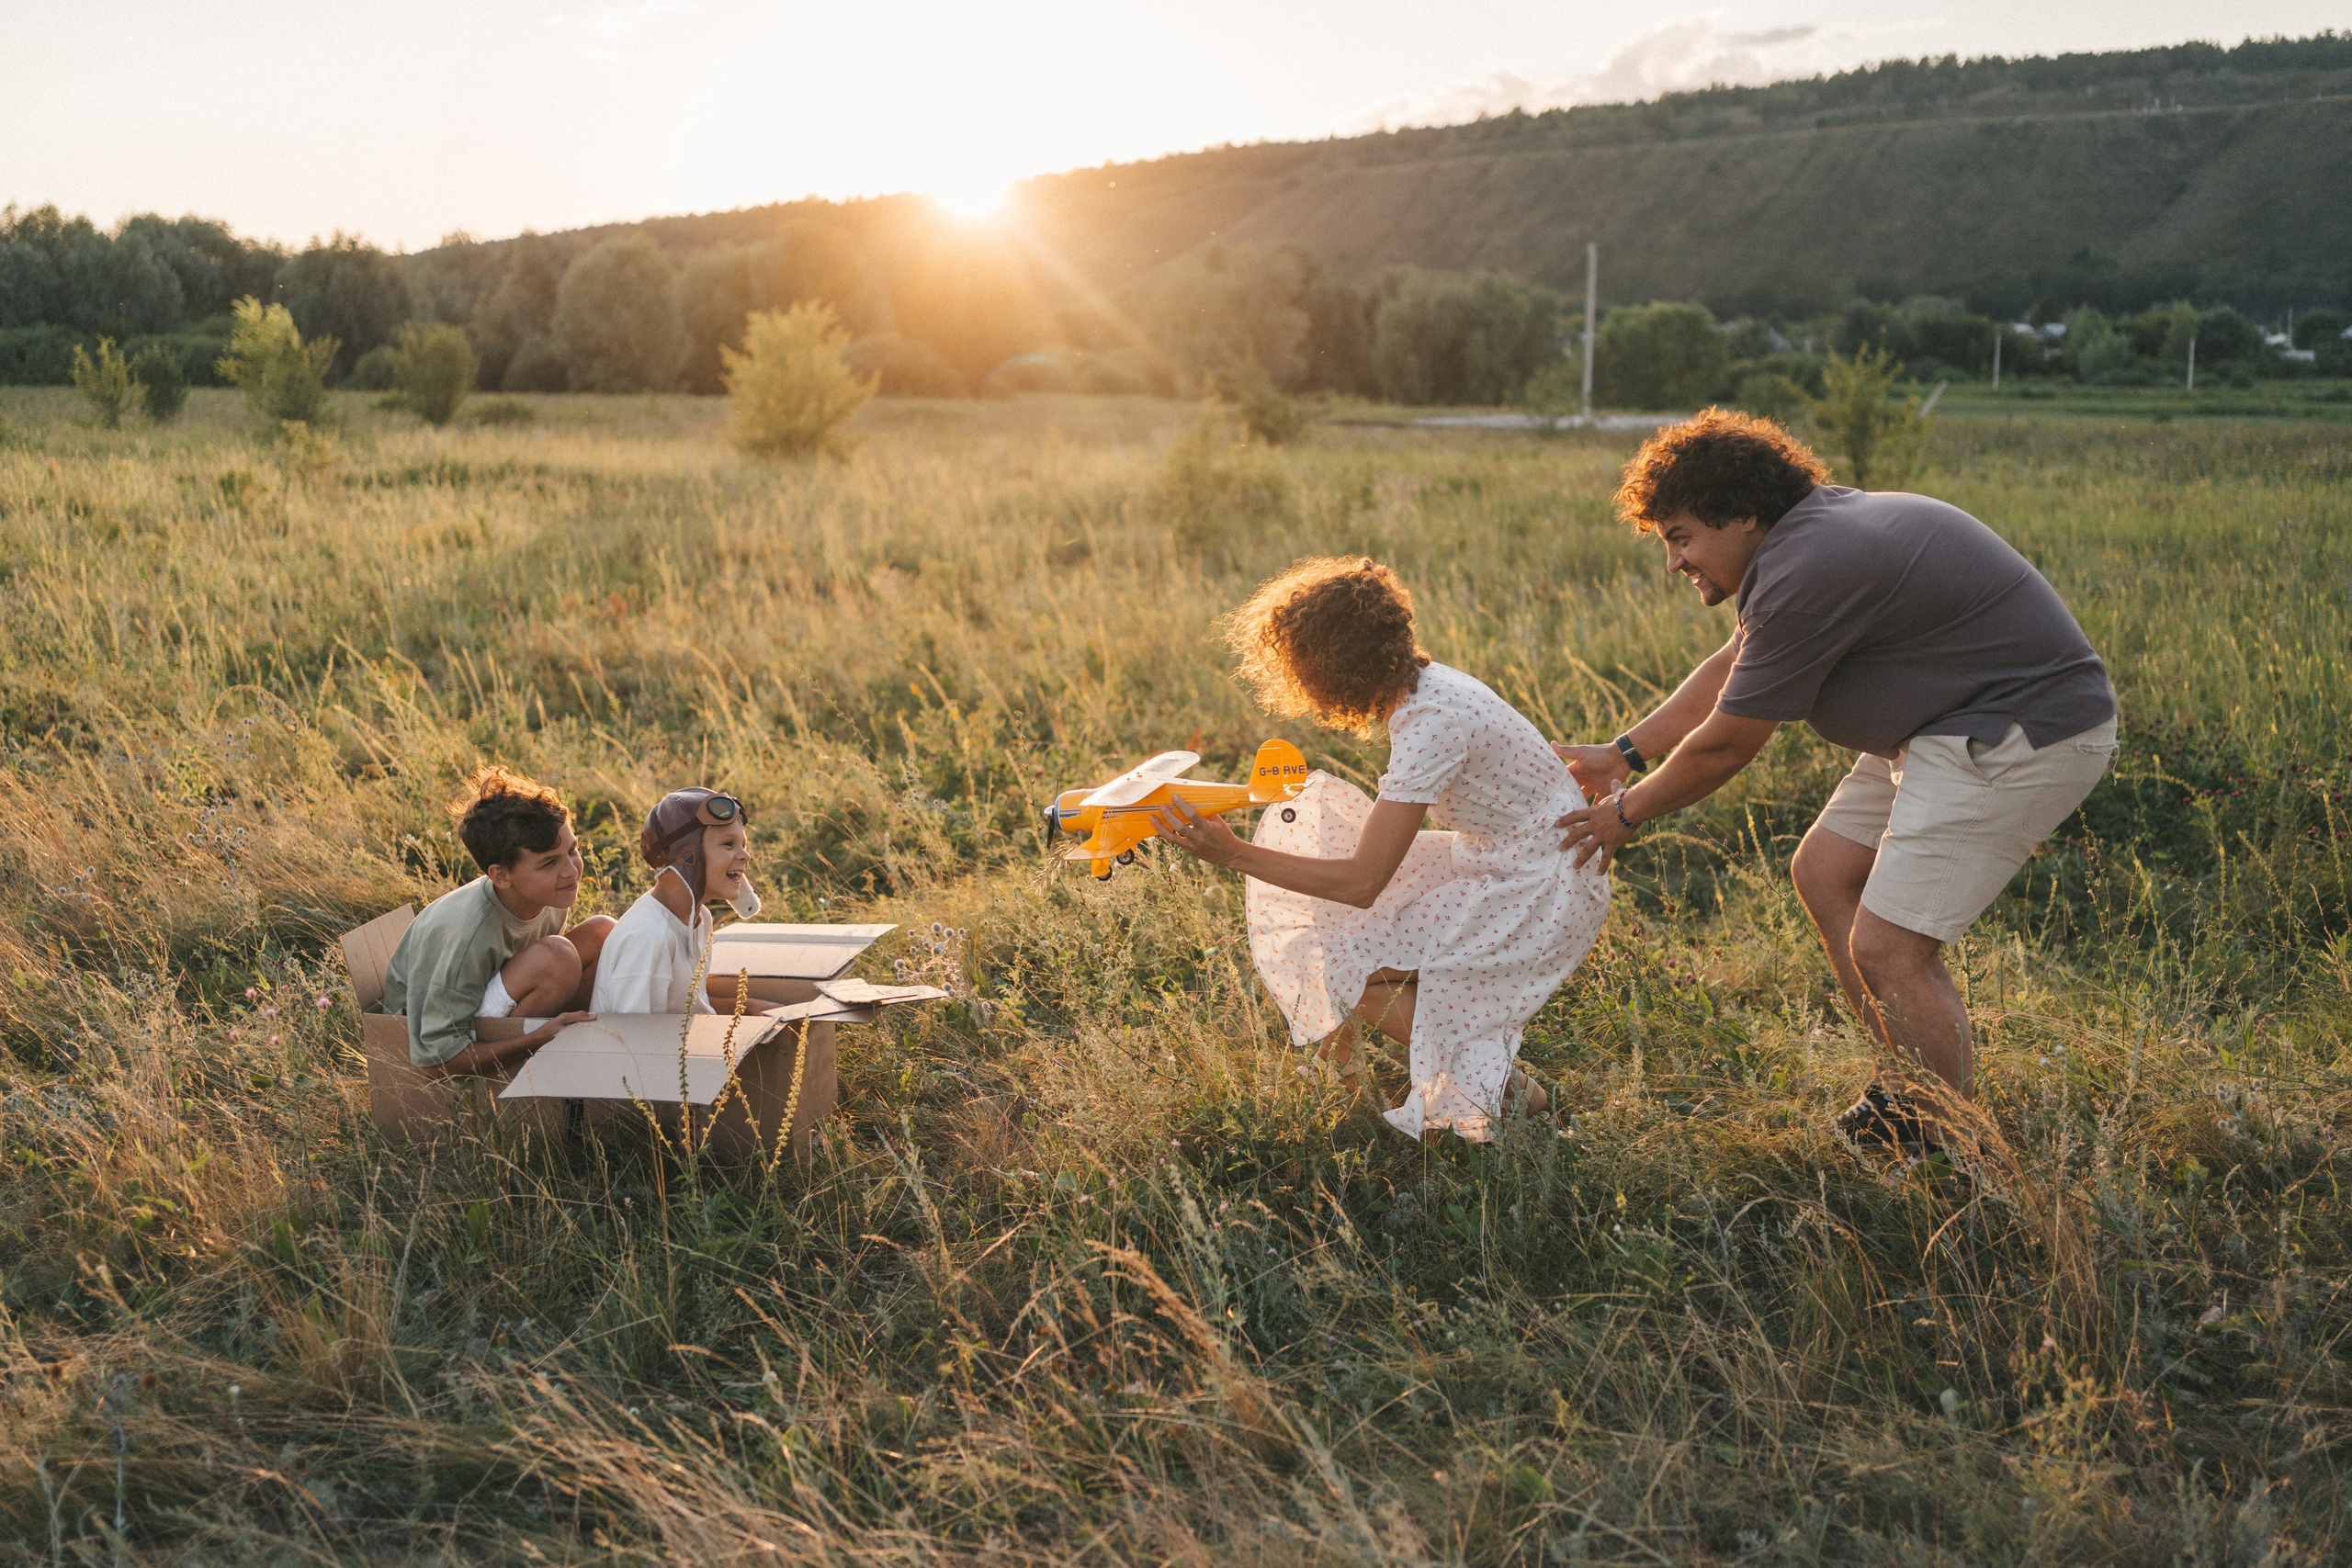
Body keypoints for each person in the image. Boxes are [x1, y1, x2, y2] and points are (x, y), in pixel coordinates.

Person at [1554, 411, 2117, 1156]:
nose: (1674, 563)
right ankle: (1903, 1087)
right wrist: (1623, 751)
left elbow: (1726, 745)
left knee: (1888, 948)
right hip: (1945, 725)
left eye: (1682, 537)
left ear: (1744, 514)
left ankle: (1947, 1154)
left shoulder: (1805, 566)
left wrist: (1623, 815)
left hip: (2018, 730)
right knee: (1824, 870)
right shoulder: (1801, 542)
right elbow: (1732, 669)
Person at [1150, 557, 1610, 1143]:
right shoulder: (1428, 687)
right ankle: (1344, 1093)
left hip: (1540, 883)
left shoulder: (1429, 722)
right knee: (1334, 929)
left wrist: (1233, 853)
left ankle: (1514, 1096)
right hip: (1507, 857)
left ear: (1327, 664)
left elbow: (1363, 880)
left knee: (1350, 965)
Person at [380, 767, 614, 1076]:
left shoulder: (549, 896)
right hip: (433, 1034)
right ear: (501, 876)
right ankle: (537, 1058)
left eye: (572, 850)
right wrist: (536, 1039)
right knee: (559, 958)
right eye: (549, 863)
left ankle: (582, 1041)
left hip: (488, 999)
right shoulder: (468, 934)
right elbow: (433, 1062)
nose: (571, 870)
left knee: (605, 932)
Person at [591, 788, 762, 1015]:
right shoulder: (650, 937)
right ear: (686, 855)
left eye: (743, 845)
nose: (745, 856)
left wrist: (752, 1008)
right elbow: (629, 1041)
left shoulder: (701, 919)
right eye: (728, 844)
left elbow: (690, 1008)